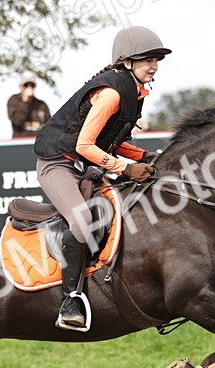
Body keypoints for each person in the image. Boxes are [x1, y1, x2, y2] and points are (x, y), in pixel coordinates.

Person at [32, 25, 168, 331]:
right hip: (57, 164)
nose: (155, 65)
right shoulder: (109, 93)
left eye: (157, 59)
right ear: (128, 62)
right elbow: (84, 145)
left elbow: (111, 140)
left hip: (85, 166)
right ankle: (70, 300)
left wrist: (144, 157)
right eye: (148, 59)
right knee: (80, 222)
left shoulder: (135, 91)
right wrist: (126, 168)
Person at [6, 71, 51, 138]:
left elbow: (50, 127)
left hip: (38, 145)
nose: (29, 88)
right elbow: (17, 121)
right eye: (26, 85)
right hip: (20, 144)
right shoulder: (14, 101)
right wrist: (25, 101)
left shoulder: (42, 105)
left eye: (32, 85)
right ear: (21, 86)